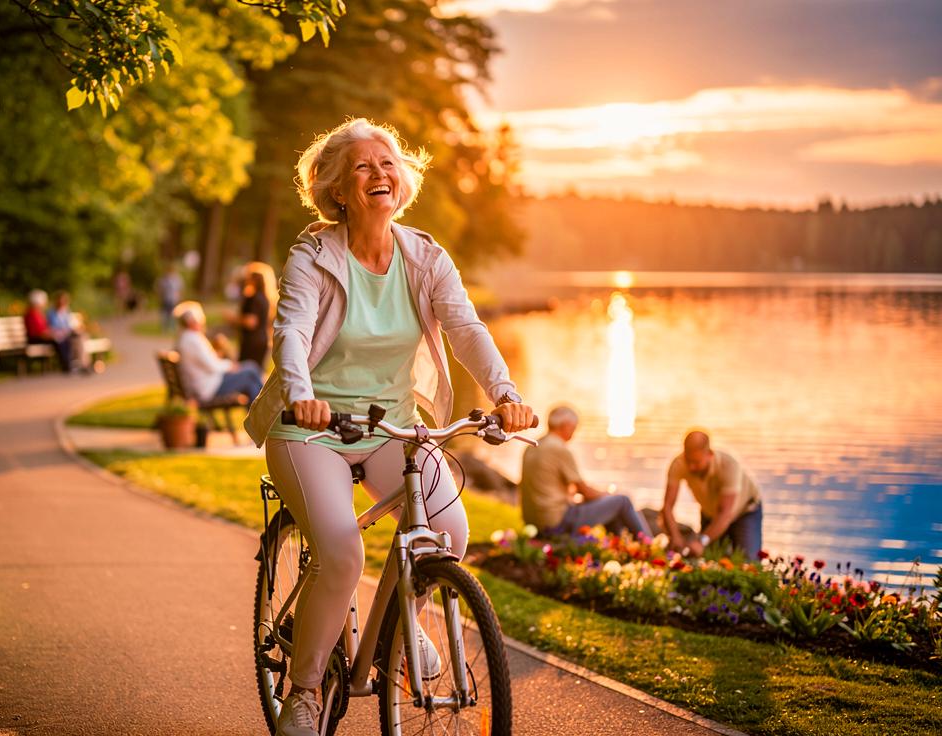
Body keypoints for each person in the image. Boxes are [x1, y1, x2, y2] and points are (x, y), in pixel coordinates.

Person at [242, 118, 535, 736]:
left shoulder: (425, 256)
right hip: (310, 429)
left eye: (388, 163)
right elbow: (290, 331)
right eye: (362, 166)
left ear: (402, 181)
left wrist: (506, 393)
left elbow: (467, 330)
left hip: (390, 427)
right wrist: (300, 396)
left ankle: (400, 630)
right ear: (338, 189)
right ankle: (302, 691)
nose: (379, 173)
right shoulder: (313, 256)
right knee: (342, 551)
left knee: (449, 531)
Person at [520, 406, 652, 538]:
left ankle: (620, 545)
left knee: (610, 507)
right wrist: (607, 494)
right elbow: (585, 491)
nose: (574, 433)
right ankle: (649, 544)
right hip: (556, 522)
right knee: (622, 501)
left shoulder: (532, 446)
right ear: (565, 425)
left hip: (533, 521)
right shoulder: (559, 449)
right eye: (574, 428)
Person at [662, 430, 763, 558]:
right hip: (710, 513)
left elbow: (725, 513)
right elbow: (667, 507)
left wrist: (701, 541)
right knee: (704, 560)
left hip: (744, 512)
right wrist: (675, 536)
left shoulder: (728, 465)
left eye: (696, 462)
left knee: (748, 562)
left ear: (709, 454)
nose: (691, 467)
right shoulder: (679, 464)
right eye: (688, 461)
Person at [173, 301, 264, 404]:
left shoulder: (184, 338)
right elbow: (212, 366)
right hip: (209, 388)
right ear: (191, 322)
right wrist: (230, 366)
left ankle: (261, 414)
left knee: (251, 384)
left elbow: (206, 361)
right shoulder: (193, 339)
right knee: (251, 369)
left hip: (206, 383)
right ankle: (267, 407)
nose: (202, 323)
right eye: (199, 320)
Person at [228, 261, 277, 366]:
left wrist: (233, 319)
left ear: (254, 280)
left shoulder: (253, 298)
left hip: (251, 343)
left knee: (246, 373)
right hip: (263, 341)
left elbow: (251, 322)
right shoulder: (265, 299)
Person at [48, 290, 90, 372]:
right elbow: (54, 326)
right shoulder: (52, 313)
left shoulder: (66, 311)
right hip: (59, 335)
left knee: (80, 337)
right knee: (77, 339)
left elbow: (69, 324)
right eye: (61, 300)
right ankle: (82, 365)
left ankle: (83, 364)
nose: (63, 303)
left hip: (67, 334)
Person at [156, 265, 183, 332]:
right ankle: (164, 328)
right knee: (165, 314)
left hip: (174, 299)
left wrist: (179, 297)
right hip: (166, 299)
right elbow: (160, 289)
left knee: (173, 314)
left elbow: (180, 289)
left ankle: (172, 328)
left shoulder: (177, 279)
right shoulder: (164, 279)